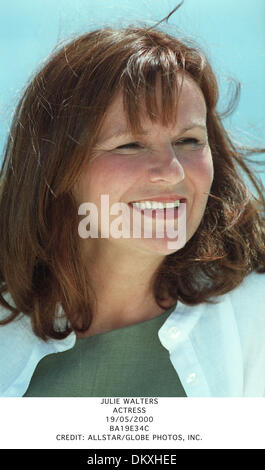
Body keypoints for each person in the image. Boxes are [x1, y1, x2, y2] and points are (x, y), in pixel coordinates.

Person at [0, 20, 264, 397]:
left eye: (189, 140)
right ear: (57, 170)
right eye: (130, 146)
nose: (171, 172)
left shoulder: (256, 313)